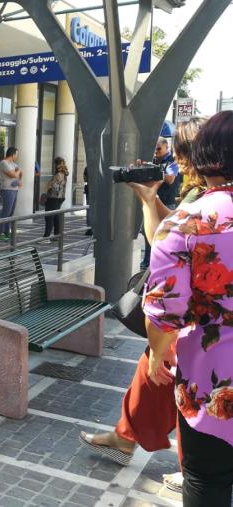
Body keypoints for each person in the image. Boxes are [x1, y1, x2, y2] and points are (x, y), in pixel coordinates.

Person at [79, 118, 207, 491]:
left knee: (179, 381)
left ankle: (195, 467)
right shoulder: (201, 195)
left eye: (179, 152)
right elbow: (170, 232)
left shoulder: (209, 199)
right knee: (160, 378)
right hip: (200, 317)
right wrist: (150, 199)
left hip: (199, 320)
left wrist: (158, 345)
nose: (175, 161)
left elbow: (165, 247)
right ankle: (128, 438)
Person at [139, 110, 233, 506]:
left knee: (207, 482)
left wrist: (159, 353)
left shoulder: (185, 223)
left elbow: (163, 312)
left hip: (212, 381)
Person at [141, 137, 180, 269]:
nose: (156, 152)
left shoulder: (172, 161)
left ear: (166, 147)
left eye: (159, 149)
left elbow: (170, 179)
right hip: (153, 201)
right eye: (154, 149)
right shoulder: (153, 161)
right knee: (149, 235)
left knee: (163, 236)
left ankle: (158, 263)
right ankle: (148, 262)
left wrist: (153, 171)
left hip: (167, 203)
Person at [0, 147, 21, 241]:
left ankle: (7, 232)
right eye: (16, 155)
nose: (17, 157)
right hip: (7, 190)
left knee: (10, 213)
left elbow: (19, 174)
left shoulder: (13, 164)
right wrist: (18, 172)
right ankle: (0, 233)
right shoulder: (4, 163)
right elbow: (14, 174)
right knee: (6, 212)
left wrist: (19, 180)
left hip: (14, 189)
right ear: (13, 154)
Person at [42, 157, 69, 238]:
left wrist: (48, 185)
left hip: (53, 198)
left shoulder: (58, 175)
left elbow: (51, 186)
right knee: (56, 216)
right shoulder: (64, 174)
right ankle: (57, 235)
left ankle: (46, 237)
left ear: (56, 165)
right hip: (60, 198)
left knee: (49, 217)